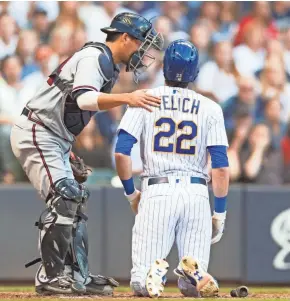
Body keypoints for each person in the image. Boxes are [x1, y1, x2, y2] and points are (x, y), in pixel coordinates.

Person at [10, 12, 163, 296]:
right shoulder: (95, 57)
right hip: (37, 129)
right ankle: (51, 276)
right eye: (141, 42)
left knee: (76, 199)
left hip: (54, 136)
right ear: (125, 37)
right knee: (66, 194)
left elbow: (75, 106)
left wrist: (66, 147)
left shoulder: (107, 64)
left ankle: (76, 276)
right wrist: (128, 98)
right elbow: (83, 99)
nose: (143, 51)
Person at [114, 40, 229, 298]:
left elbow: (122, 152)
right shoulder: (211, 107)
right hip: (197, 193)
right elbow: (220, 166)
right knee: (193, 291)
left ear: (165, 67)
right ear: (195, 72)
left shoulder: (143, 98)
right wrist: (219, 213)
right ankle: (191, 274)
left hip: (158, 190)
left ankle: (152, 274)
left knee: (140, 284)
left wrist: (132, 194)